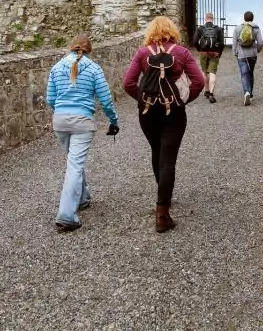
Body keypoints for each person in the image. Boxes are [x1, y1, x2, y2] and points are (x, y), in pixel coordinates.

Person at [123, 16, 205, 232]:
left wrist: (143, 100)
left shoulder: (142, 53)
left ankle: (162, 193)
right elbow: (199, 81)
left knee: (156, 150)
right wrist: (183, 101)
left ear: (151, 32)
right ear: (172, 31)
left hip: (147, 113)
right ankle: (162, 213)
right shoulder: (181, 52)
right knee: (168, 160)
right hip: (174, 113)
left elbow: (128, 83)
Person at [46, 34, 119, 232]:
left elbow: (50, 99)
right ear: (89, 50)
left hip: (60, 121)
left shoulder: (56, 67)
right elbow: (105, 100)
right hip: (82, 122)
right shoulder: (94, 69)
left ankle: (83, 197)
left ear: (71, 47)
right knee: (75, 166)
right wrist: (113, 120)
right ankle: (66, 214)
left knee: (73, 162)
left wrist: (63, 110)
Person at [232, 11, 263, 106]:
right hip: (253, 54)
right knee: (250, 73)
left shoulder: (238, 28)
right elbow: (261, 42)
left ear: (244, 18)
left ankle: (246, 92)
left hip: (242, 55)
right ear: (252, 18)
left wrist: (235, 53)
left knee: (244, 74)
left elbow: (234, 42)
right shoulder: (256, 28)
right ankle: (250, 95)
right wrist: (257, 50)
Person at [192, 12, 224, 103]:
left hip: (203, 53)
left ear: (205, 19)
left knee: (205, 72)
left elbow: (194, 41)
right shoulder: (218, 29)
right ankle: (211, 93)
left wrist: (200, 50)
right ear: (212, 19)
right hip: (214, 54)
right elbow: (222, 43)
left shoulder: (200, 29)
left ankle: (206, 91)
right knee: (212, 72)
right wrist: (219, 53)